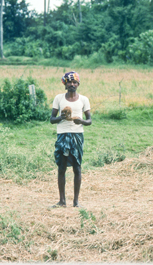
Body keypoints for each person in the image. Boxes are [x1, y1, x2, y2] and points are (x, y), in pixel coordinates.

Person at [50, 71, 92, 208]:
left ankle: (76, 202)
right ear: (65, 84)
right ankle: (62, 201)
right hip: (62, 135)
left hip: (77, 135)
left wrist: (81, 122)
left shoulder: (84, 100)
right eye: (69, 82)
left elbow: (89, 120)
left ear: (78, 84)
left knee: (77, 168)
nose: (72, 84)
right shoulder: (59, 98)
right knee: (61, 168)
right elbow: (52, 119)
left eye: (75, 82)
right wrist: (61, 118)